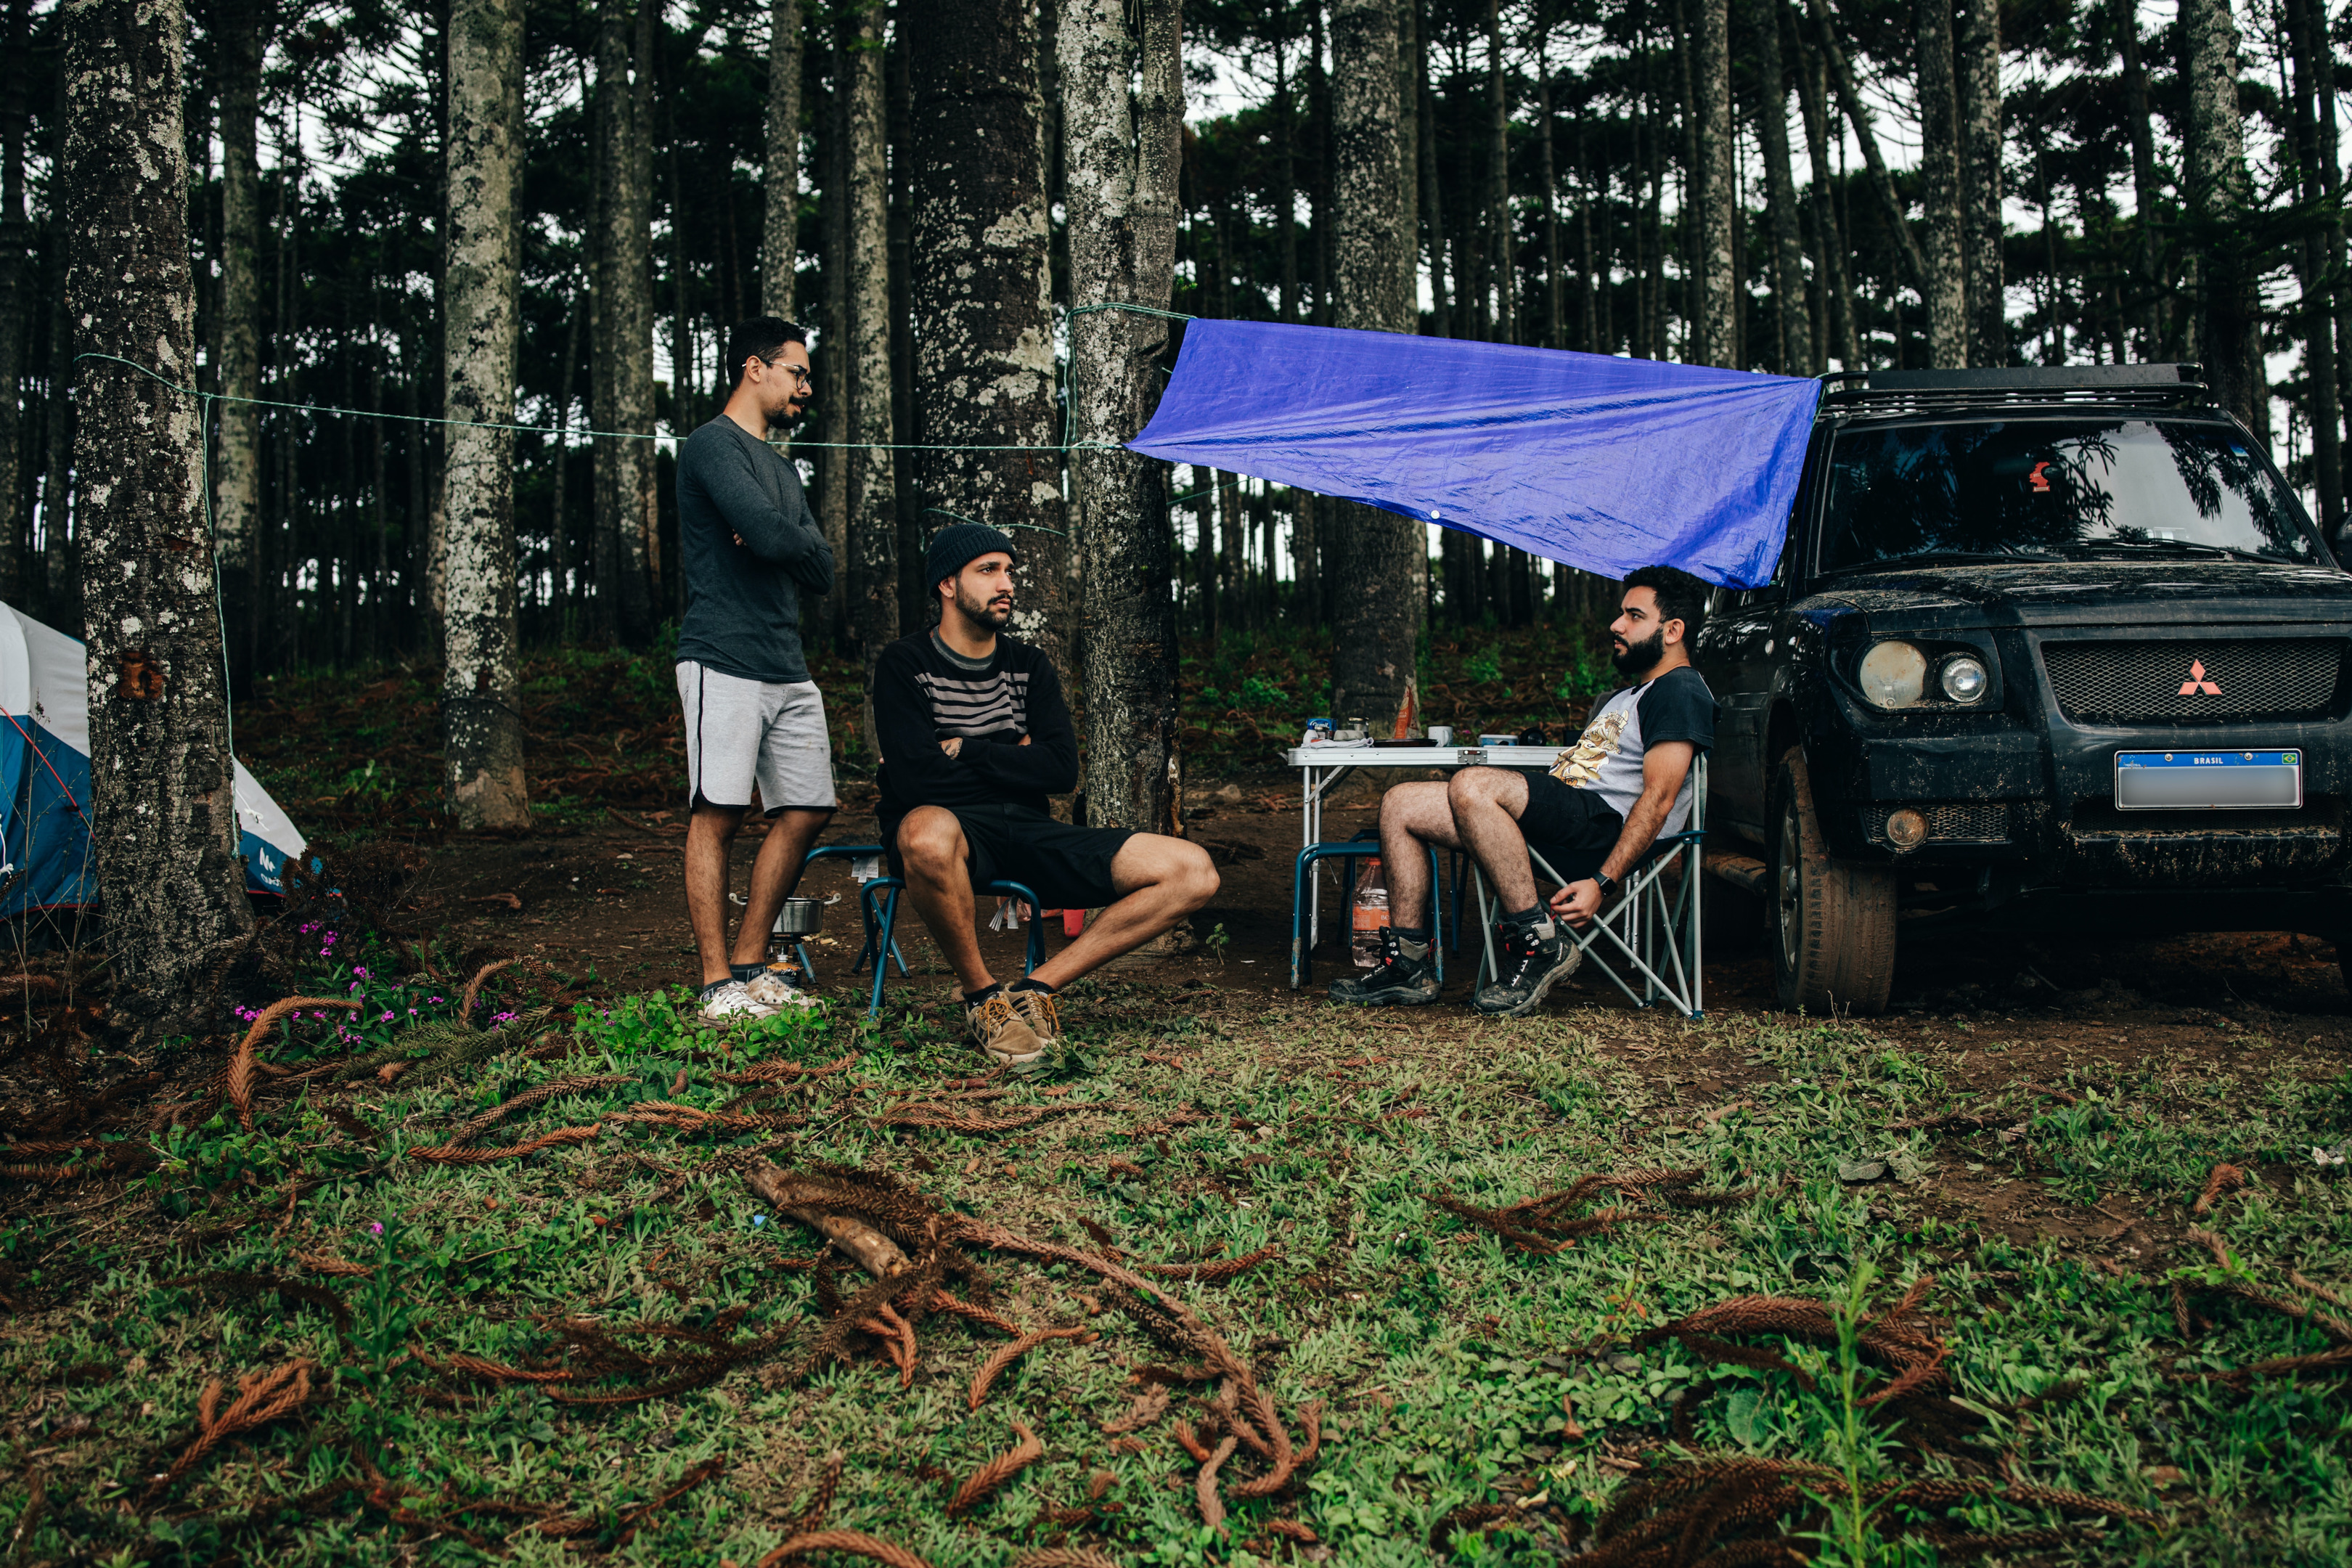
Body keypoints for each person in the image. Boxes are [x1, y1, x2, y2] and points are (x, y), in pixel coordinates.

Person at [875, 523, 1220, 1070]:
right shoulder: (904, 664)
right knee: (925, 829)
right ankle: (983, 1000)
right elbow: (917, 783)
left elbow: (1060, 770)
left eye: (1009, 571)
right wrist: (1017, 757)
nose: (1006, 583)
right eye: (988, 570)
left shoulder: (1028, 665)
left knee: (1192, 870)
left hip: (1029, 831)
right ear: (947, 584)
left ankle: (1034, 990)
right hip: (953, 832)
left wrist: (965, 748)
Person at [1331, 564, 1717, 1017]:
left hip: (1603, 828)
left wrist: (1602, 882)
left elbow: (1659, 800)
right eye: (1621, 614)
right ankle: (1410, 966)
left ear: (1673, 630)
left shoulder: (1680, 692)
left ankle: (1540, 942)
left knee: (1474, 783)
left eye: (1634, 616)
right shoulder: (1627, 696)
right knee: (1401, 803)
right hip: (1568, 815)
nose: (1617, 625)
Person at [675, 317, 838, 1021]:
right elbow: (777, 537)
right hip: (723, 654)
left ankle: (752, 962)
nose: (806, 385)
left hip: (786, 660)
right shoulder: (712, 446)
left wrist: (781, 536)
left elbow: (821, 568)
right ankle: (717, 986)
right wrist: (780, 536)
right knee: (720, 811)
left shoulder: (780, 465)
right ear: (755, 369)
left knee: (808, 808)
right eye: (797, 372)